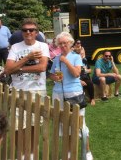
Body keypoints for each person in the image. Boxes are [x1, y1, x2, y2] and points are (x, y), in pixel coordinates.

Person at [4, 18, 50, 155]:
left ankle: (31, 154)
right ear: (21, 32)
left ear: (36, 32)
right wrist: (27, 58)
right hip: (18, 90)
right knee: (18, 126)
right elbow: (7, 69)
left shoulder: (43, 46)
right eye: (25, 30)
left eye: (31, 30)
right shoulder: (15, 47)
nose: (28, 32)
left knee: (34, 124)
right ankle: (21, 154)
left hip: (37, 89)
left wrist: (19, 69)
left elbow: (42, 67)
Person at [49, 32, 93, 160]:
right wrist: (54, 77)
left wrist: (66, 61)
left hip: (74, 94)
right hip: (58, 94)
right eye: (60, 43)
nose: (62, 45)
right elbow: (51, 74)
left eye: (65, 43)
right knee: (63, 124)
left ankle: (87, 152)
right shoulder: (56, 58)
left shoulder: (76, 57)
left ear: (70, 44)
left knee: (80, 123)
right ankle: (67, 154)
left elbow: (76, 74)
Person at [72, 40, 95, 106]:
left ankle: (92, 99)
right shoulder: (74, 60)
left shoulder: (84, 60)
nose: (82, 55)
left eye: (82, 53)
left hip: (85, 77)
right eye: (80, 54)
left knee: (90, 83)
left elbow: (90, 70)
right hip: (77, 78)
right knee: (79, 85)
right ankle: (80, 99)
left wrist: (85, 70)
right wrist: (79, 80)